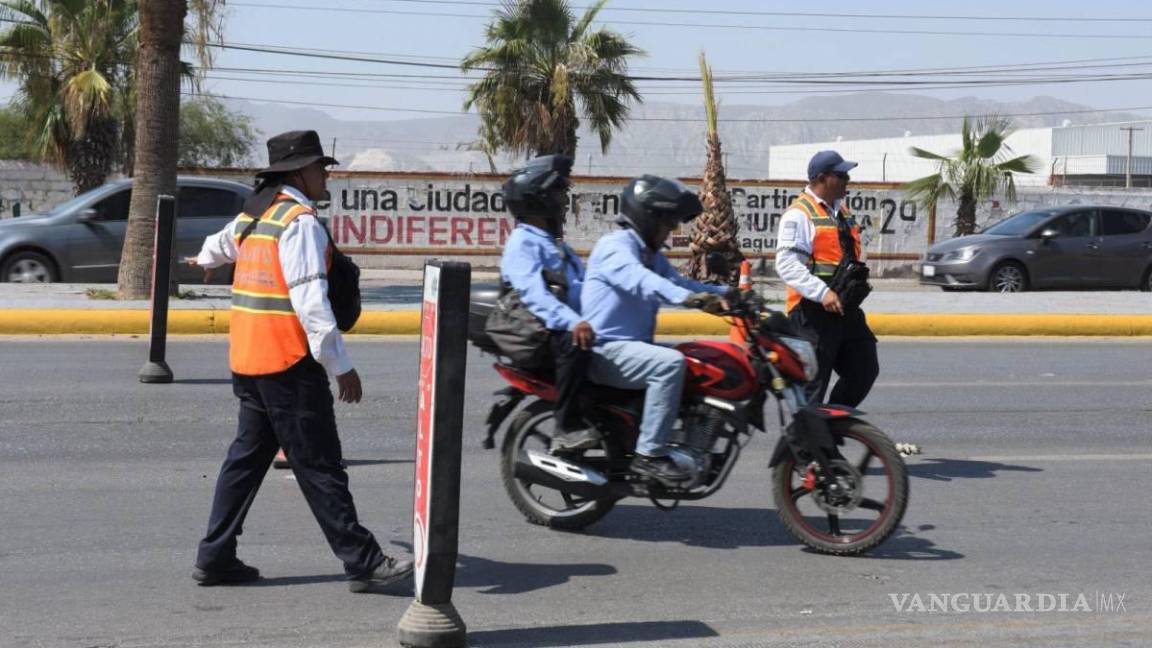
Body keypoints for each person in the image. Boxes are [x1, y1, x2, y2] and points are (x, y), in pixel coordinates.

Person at [186, 130, 412, 593]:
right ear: (297, 173)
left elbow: (220, 245)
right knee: (320, 466)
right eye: (319, 168)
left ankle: (215, 557)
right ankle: (364, 562)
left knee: (244, 463)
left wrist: (203, 258)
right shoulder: (299, 222)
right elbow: (312, 301)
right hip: (288, 364)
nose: (325, 175)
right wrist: (340, 365)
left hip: (250, 362)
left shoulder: (257, 215)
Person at [581, 175, 730, 485]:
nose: (671, 231)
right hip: (605, 349)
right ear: (648, 218)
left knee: (699, 357)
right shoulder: (616, 247)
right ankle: (649, 455)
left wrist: (731, 295)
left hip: (629, 348)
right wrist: (691, 300)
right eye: (667, 222)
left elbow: (680, 283)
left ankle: (681, 436)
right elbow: (642, 281)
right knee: (669, 365)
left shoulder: (651, 255)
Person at [499, 154, 599, 450]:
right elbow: (534, 294)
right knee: (574, 342)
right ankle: (565, 428)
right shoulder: (523, 242)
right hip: (537, 332)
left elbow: (584, 284)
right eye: (557, 194)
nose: (563, 201)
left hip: (560, 323)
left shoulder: (552, 242)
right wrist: (573, 322)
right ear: (537, 199)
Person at [775, 150, 878, 408]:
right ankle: (808, 444)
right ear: (821, 178)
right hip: (811, 314)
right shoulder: (799, 215)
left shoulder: (840, 211)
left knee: (863, 370)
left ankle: (833, 428)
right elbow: (787, 264)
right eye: (841, 174)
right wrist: (823, 293)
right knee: (812, 389)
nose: (847, 179)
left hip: (844, 309)